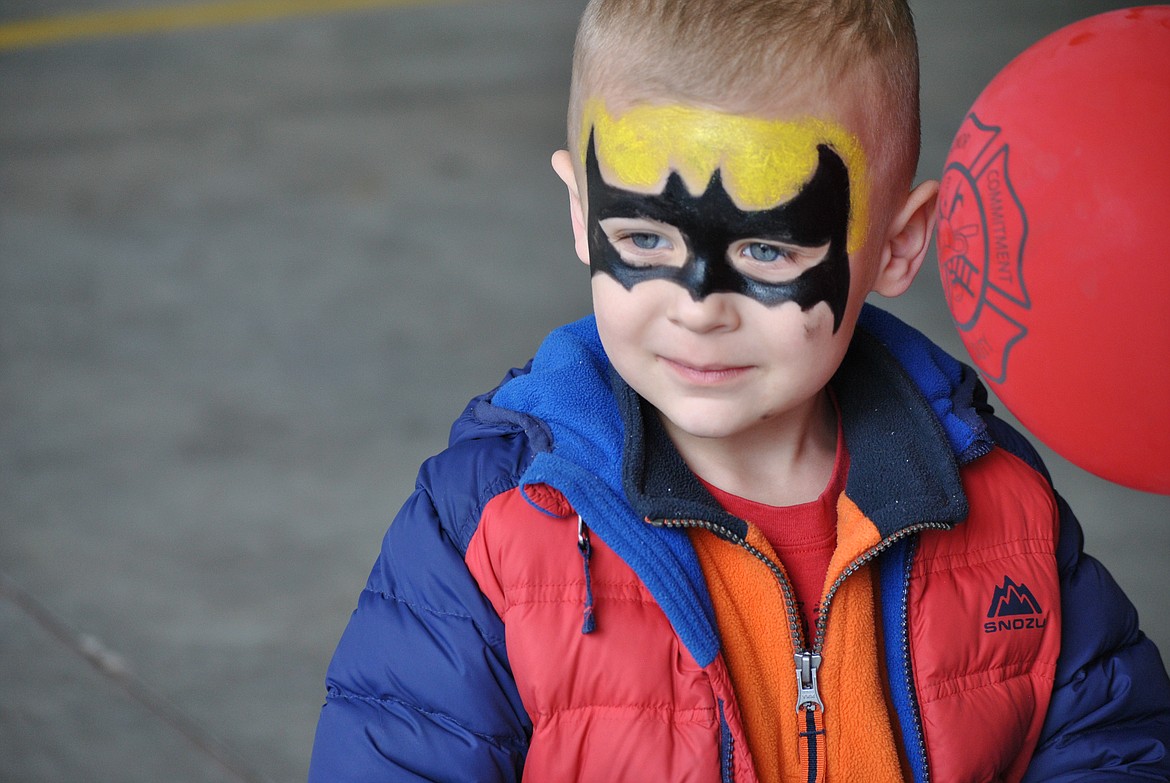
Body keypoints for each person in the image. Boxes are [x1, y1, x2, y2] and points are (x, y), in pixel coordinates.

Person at [308, 0, 1170, 780]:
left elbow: (1113, 747)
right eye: (643, 238)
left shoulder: (1002, 505)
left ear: (900, 245)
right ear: (580, 213)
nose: (698, 308)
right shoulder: (488, 527)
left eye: (768, 252)